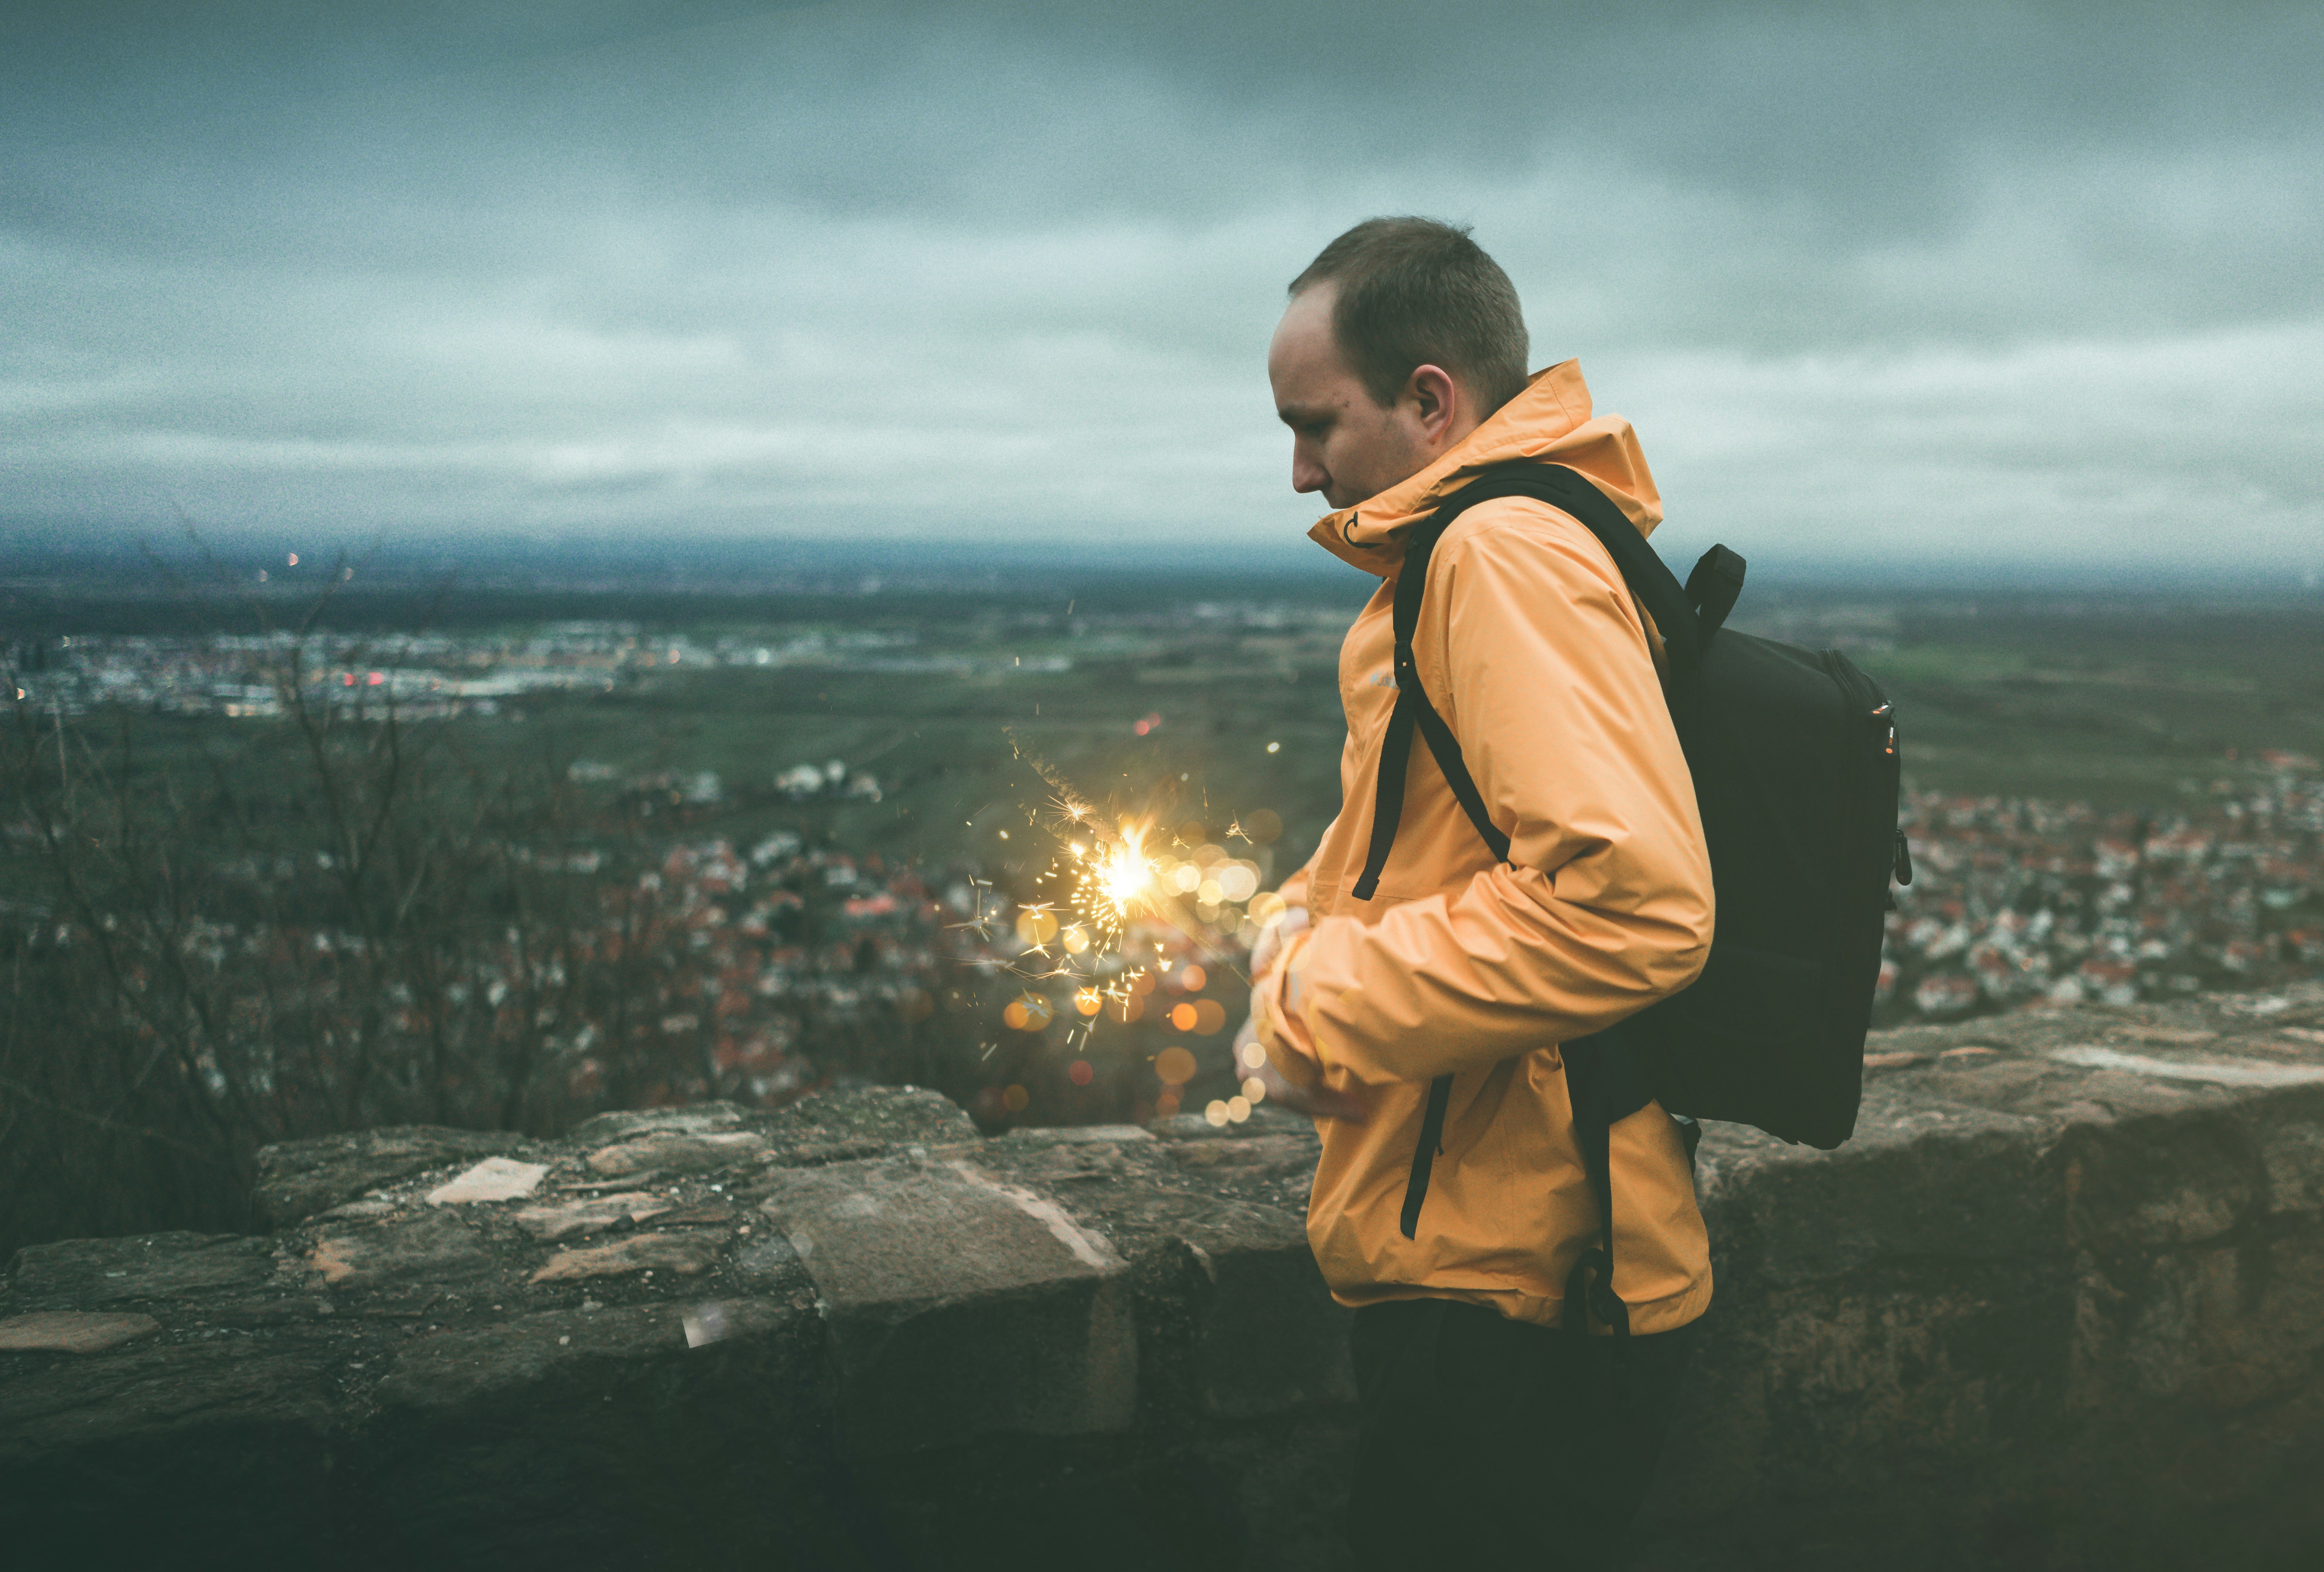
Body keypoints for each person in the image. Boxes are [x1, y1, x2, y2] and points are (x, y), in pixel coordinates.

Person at [1236, 216, 1715, 1567]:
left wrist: (1312, 1003)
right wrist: (1300, 924)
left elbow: (1631, 901)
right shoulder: (1499, 539)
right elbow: (1447, 846)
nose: (1297, 470)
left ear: (1431, 400)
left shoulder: (1497, 553)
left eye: (1315, 421)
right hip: (1511, 1252)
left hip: (1518, 1290)